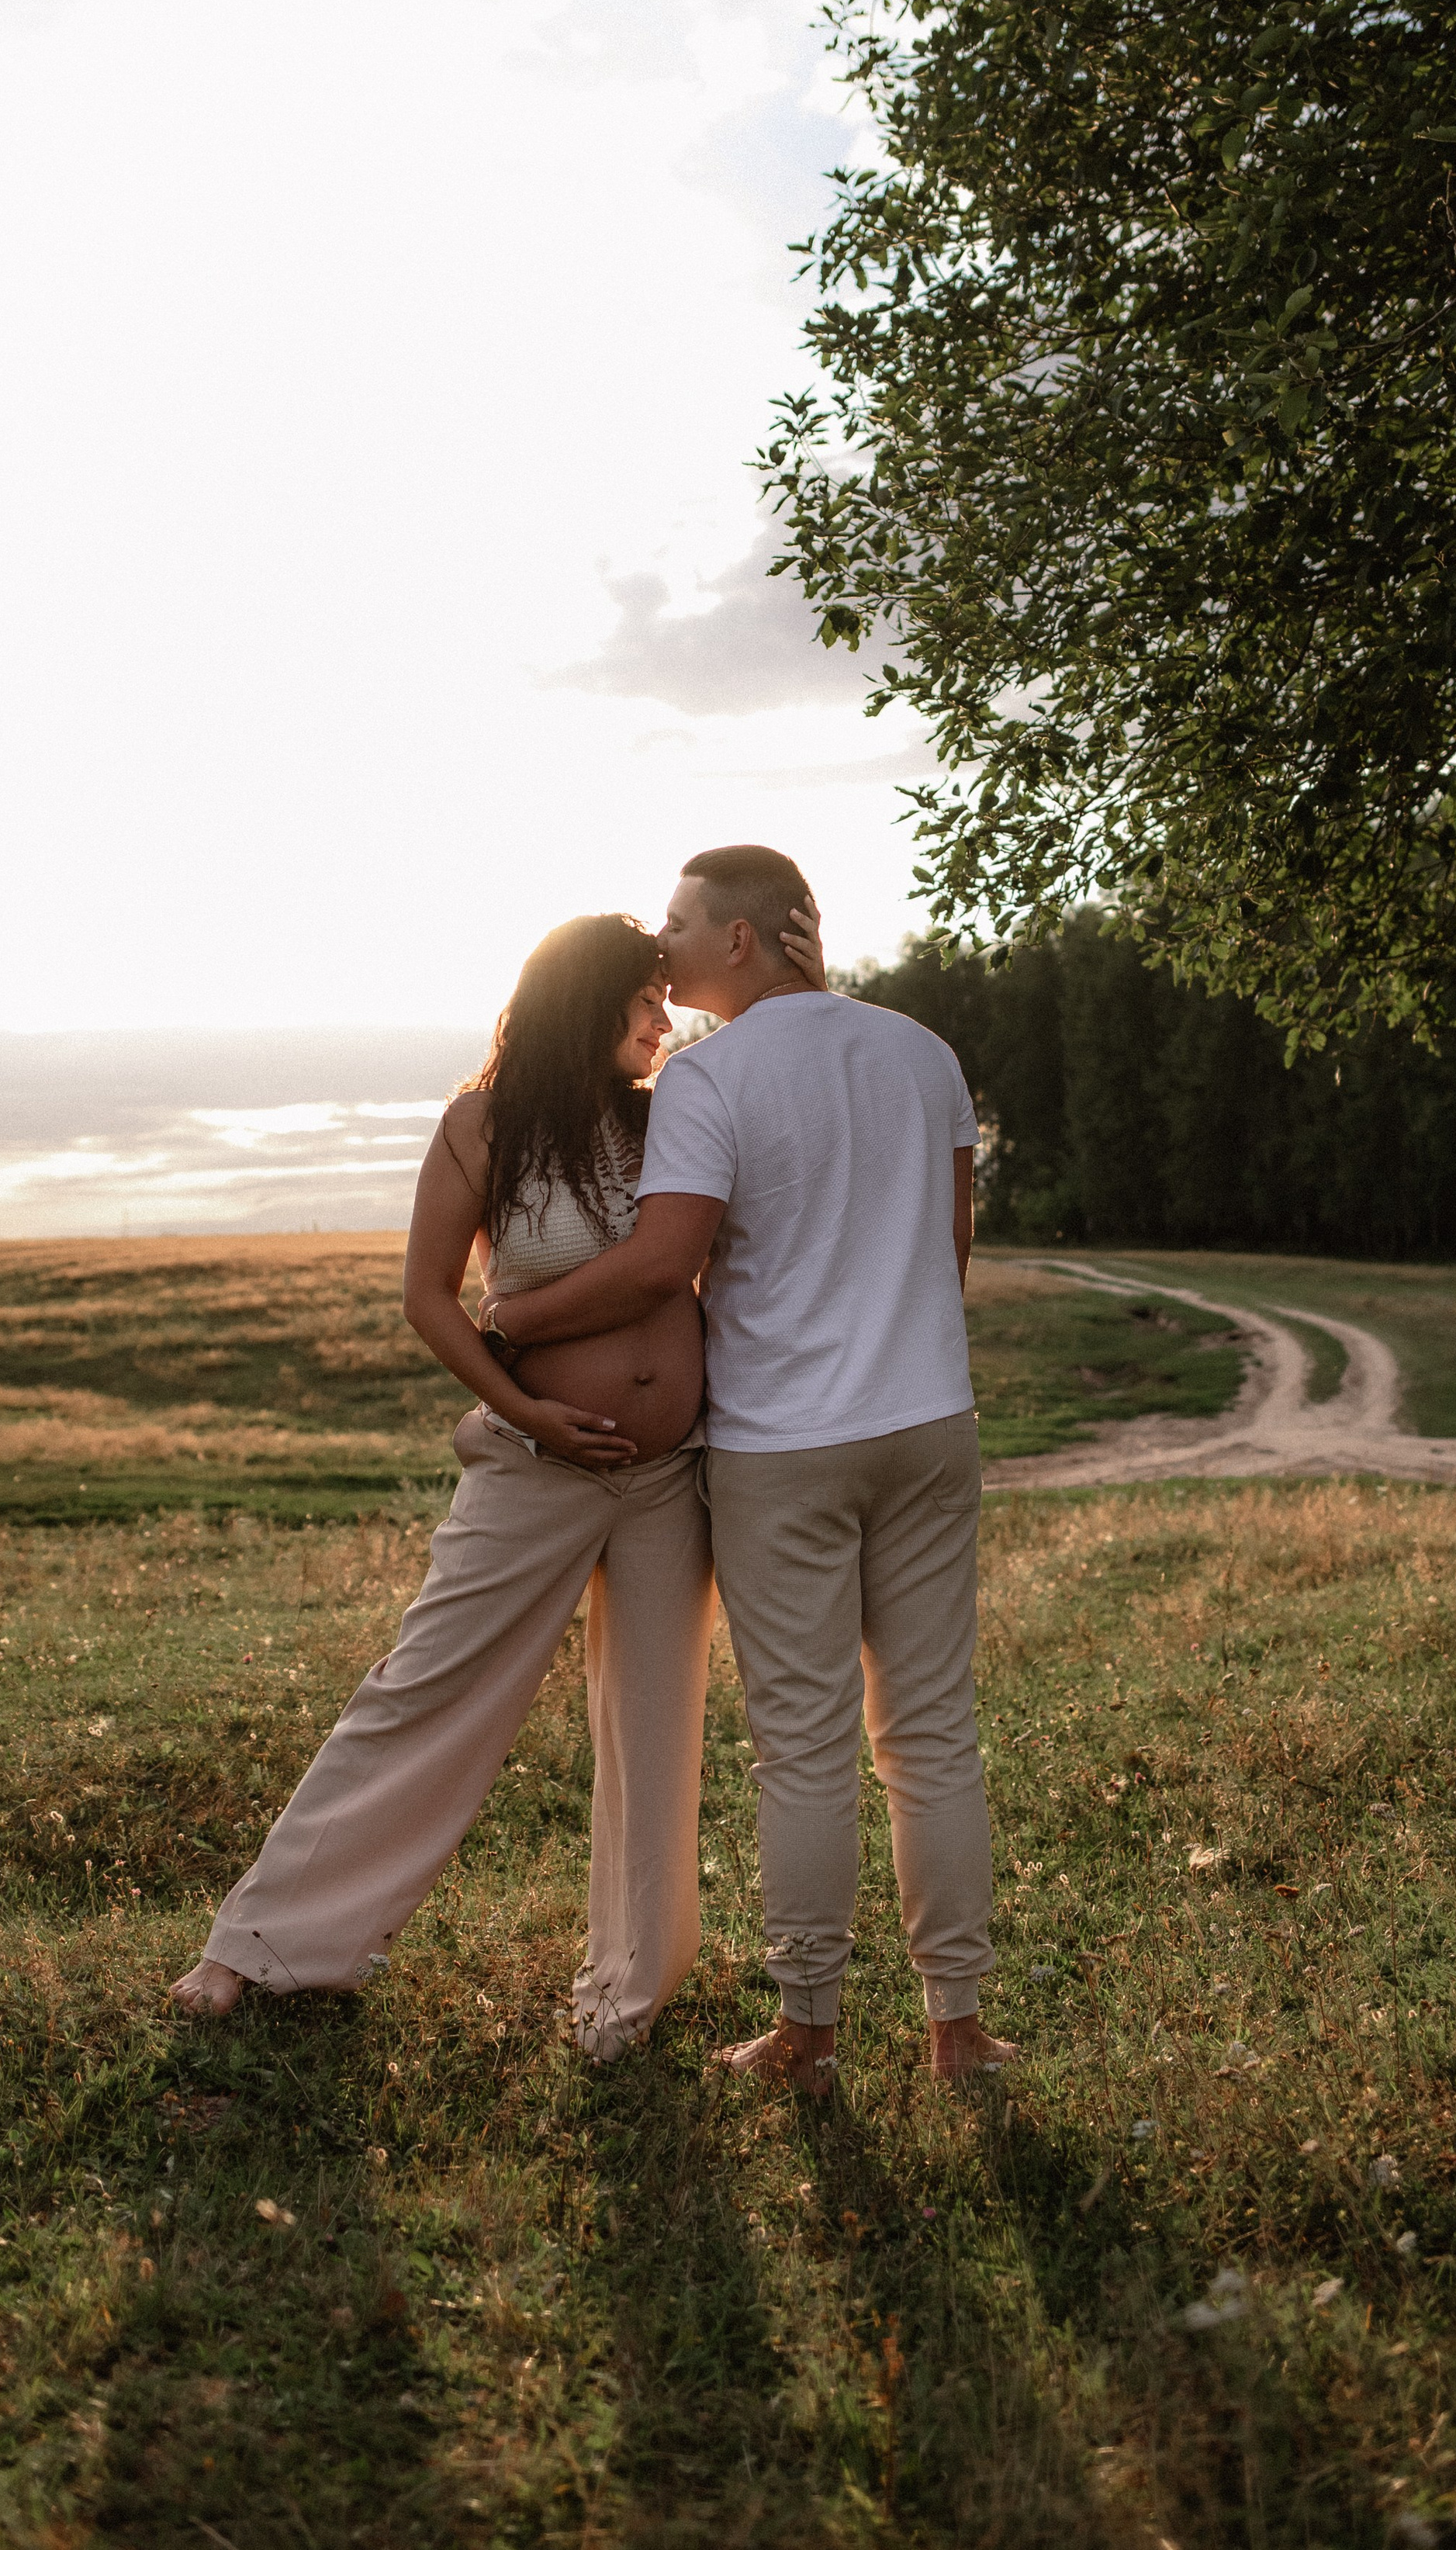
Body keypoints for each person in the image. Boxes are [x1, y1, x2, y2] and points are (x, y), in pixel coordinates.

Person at [168, 909, 772, 2054]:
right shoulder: (480, 1126)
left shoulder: (672, 1118)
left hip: (664, 1477)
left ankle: (627, 2000)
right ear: (582, 1001)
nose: (663, 1018)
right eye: (644, 998)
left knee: (654, 1730)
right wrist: (525, 1406)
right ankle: (253, 1948)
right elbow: (431, 1298)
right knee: (426, 1690)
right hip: (537, 1462)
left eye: (666, 999)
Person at [482, 845, 1017, 2091]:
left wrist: (511, 1325)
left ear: (748, 937)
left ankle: (808, 2036)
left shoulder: (708, 1078)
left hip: (785, 1450)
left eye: (678, 923)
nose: (659, 947)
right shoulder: (922, 1053)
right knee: (933, 1734)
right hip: (930, 1426)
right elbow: (947, 1251)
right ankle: (957, 2031)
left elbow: (666, 1263)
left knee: (806, 1748)